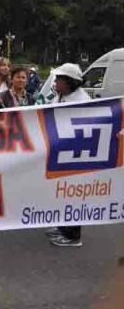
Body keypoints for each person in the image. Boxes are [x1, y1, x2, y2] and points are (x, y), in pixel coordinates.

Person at [47, 63, 90, 248]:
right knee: (62, 193)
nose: (55, 82)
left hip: (74, 155)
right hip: (61, 152)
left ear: (69, 82)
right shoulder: (61, 96)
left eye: (59, 79)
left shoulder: (81, 101)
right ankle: (63, 227)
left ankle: (73, 235)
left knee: (73, 194)